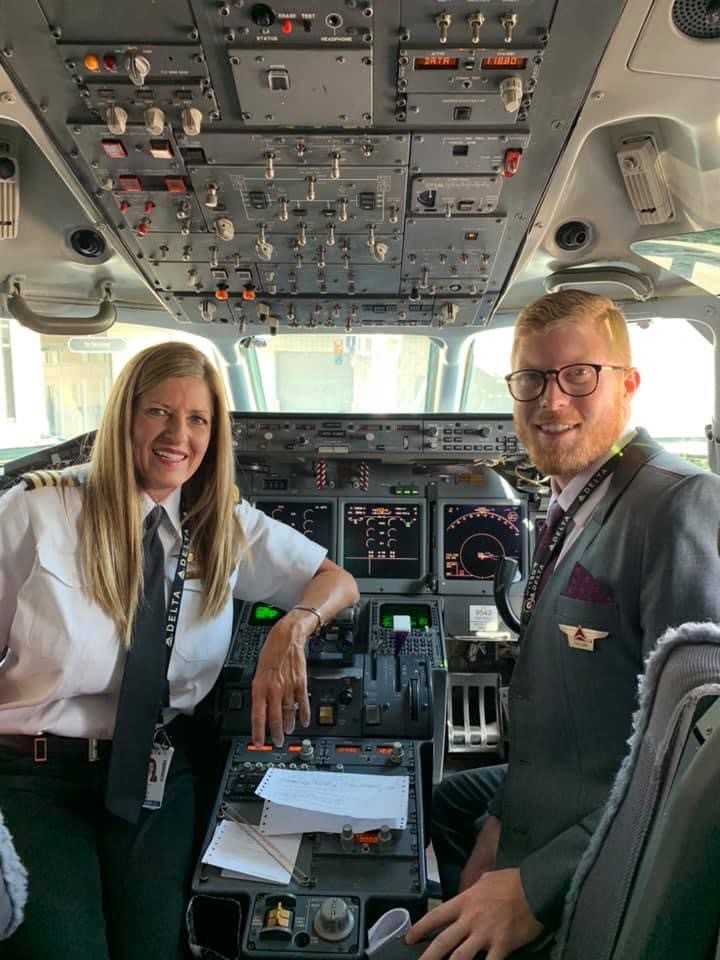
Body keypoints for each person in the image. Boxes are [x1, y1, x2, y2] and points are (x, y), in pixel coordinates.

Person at [0, 341, 359, 960]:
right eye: (159, 413)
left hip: (152, 773)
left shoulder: (221, 522)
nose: (178, 436)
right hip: (33, 777)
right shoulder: (35, 510)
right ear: (125, 417)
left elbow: (337, 581)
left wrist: (290, 628)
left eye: (198, 420)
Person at [407, 290, 720, 959]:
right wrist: (499, 822)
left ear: (627, 383)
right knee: (446, 800)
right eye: (531, 380)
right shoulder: (580, 499)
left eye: (579, 375)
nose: (552, 402)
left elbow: (698, 756)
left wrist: (531, 888)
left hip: (599, 856)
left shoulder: (679, 505)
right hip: (545, 798)